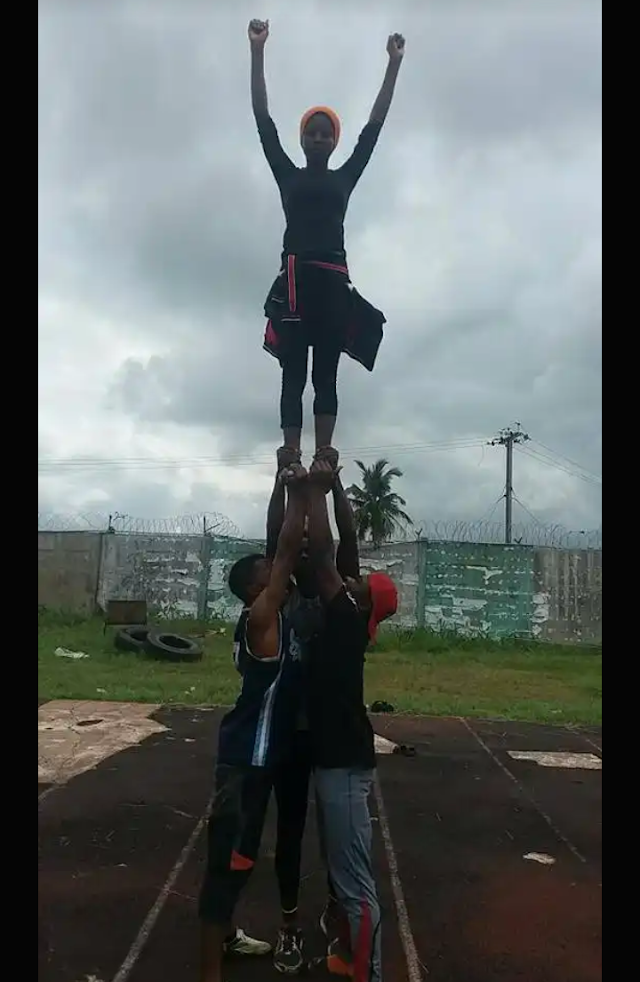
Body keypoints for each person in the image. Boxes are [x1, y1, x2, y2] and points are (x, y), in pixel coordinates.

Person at [248, 18, 406, 458]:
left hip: (333, 286)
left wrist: (393, 66)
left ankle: (324, 455)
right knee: (292, 374)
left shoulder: (345, 178)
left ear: (334, 142)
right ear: (302, 140)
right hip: (295, 288)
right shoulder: (287, 175)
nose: (318, 138)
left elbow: (374, 128)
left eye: (326, 133)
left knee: (326, 377)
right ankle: (291, 456)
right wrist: (257, 52)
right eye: (311, 133)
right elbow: (263, 120)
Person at [198, 462, 309, 982]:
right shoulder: (263, 617)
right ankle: (209, 971)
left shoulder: (265, 616)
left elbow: (276, 545)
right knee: (229, 863)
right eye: (265, 571)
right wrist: (304, 492)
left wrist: (277, 483)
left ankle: (226, 938)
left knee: (239, 857)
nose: (277, 568)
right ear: (253, 588)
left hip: (256, 758)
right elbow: (285, 549)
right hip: (247, 759)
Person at [305, 457, 398, 981]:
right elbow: (349, 536)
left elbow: (323, 552)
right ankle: (348, 956)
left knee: (356, 884)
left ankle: (371, 973)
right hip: (339, 759)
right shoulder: (351, 615)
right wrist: (337, 482)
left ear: (365, 601)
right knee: (345, 878)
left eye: (363, 581)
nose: (355, 577)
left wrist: (315, 490)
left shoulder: (343, 616)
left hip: (342, 763)